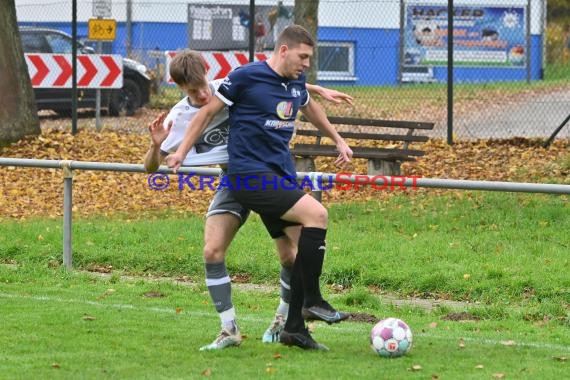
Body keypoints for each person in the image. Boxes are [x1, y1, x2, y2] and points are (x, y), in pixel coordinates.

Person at [144, 49, 353, 351]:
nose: (204, 94)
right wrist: (157, 147)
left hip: (266, 172)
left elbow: (272, 83)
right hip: (235, 180)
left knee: (292, 255)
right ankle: (229, 330)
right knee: (212, 250)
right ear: (178, 87)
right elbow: (150, 168)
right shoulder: (177, 118)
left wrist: (316, 88)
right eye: (194, 91)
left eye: (204, 85)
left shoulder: (225, 86)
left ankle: (284, 320)